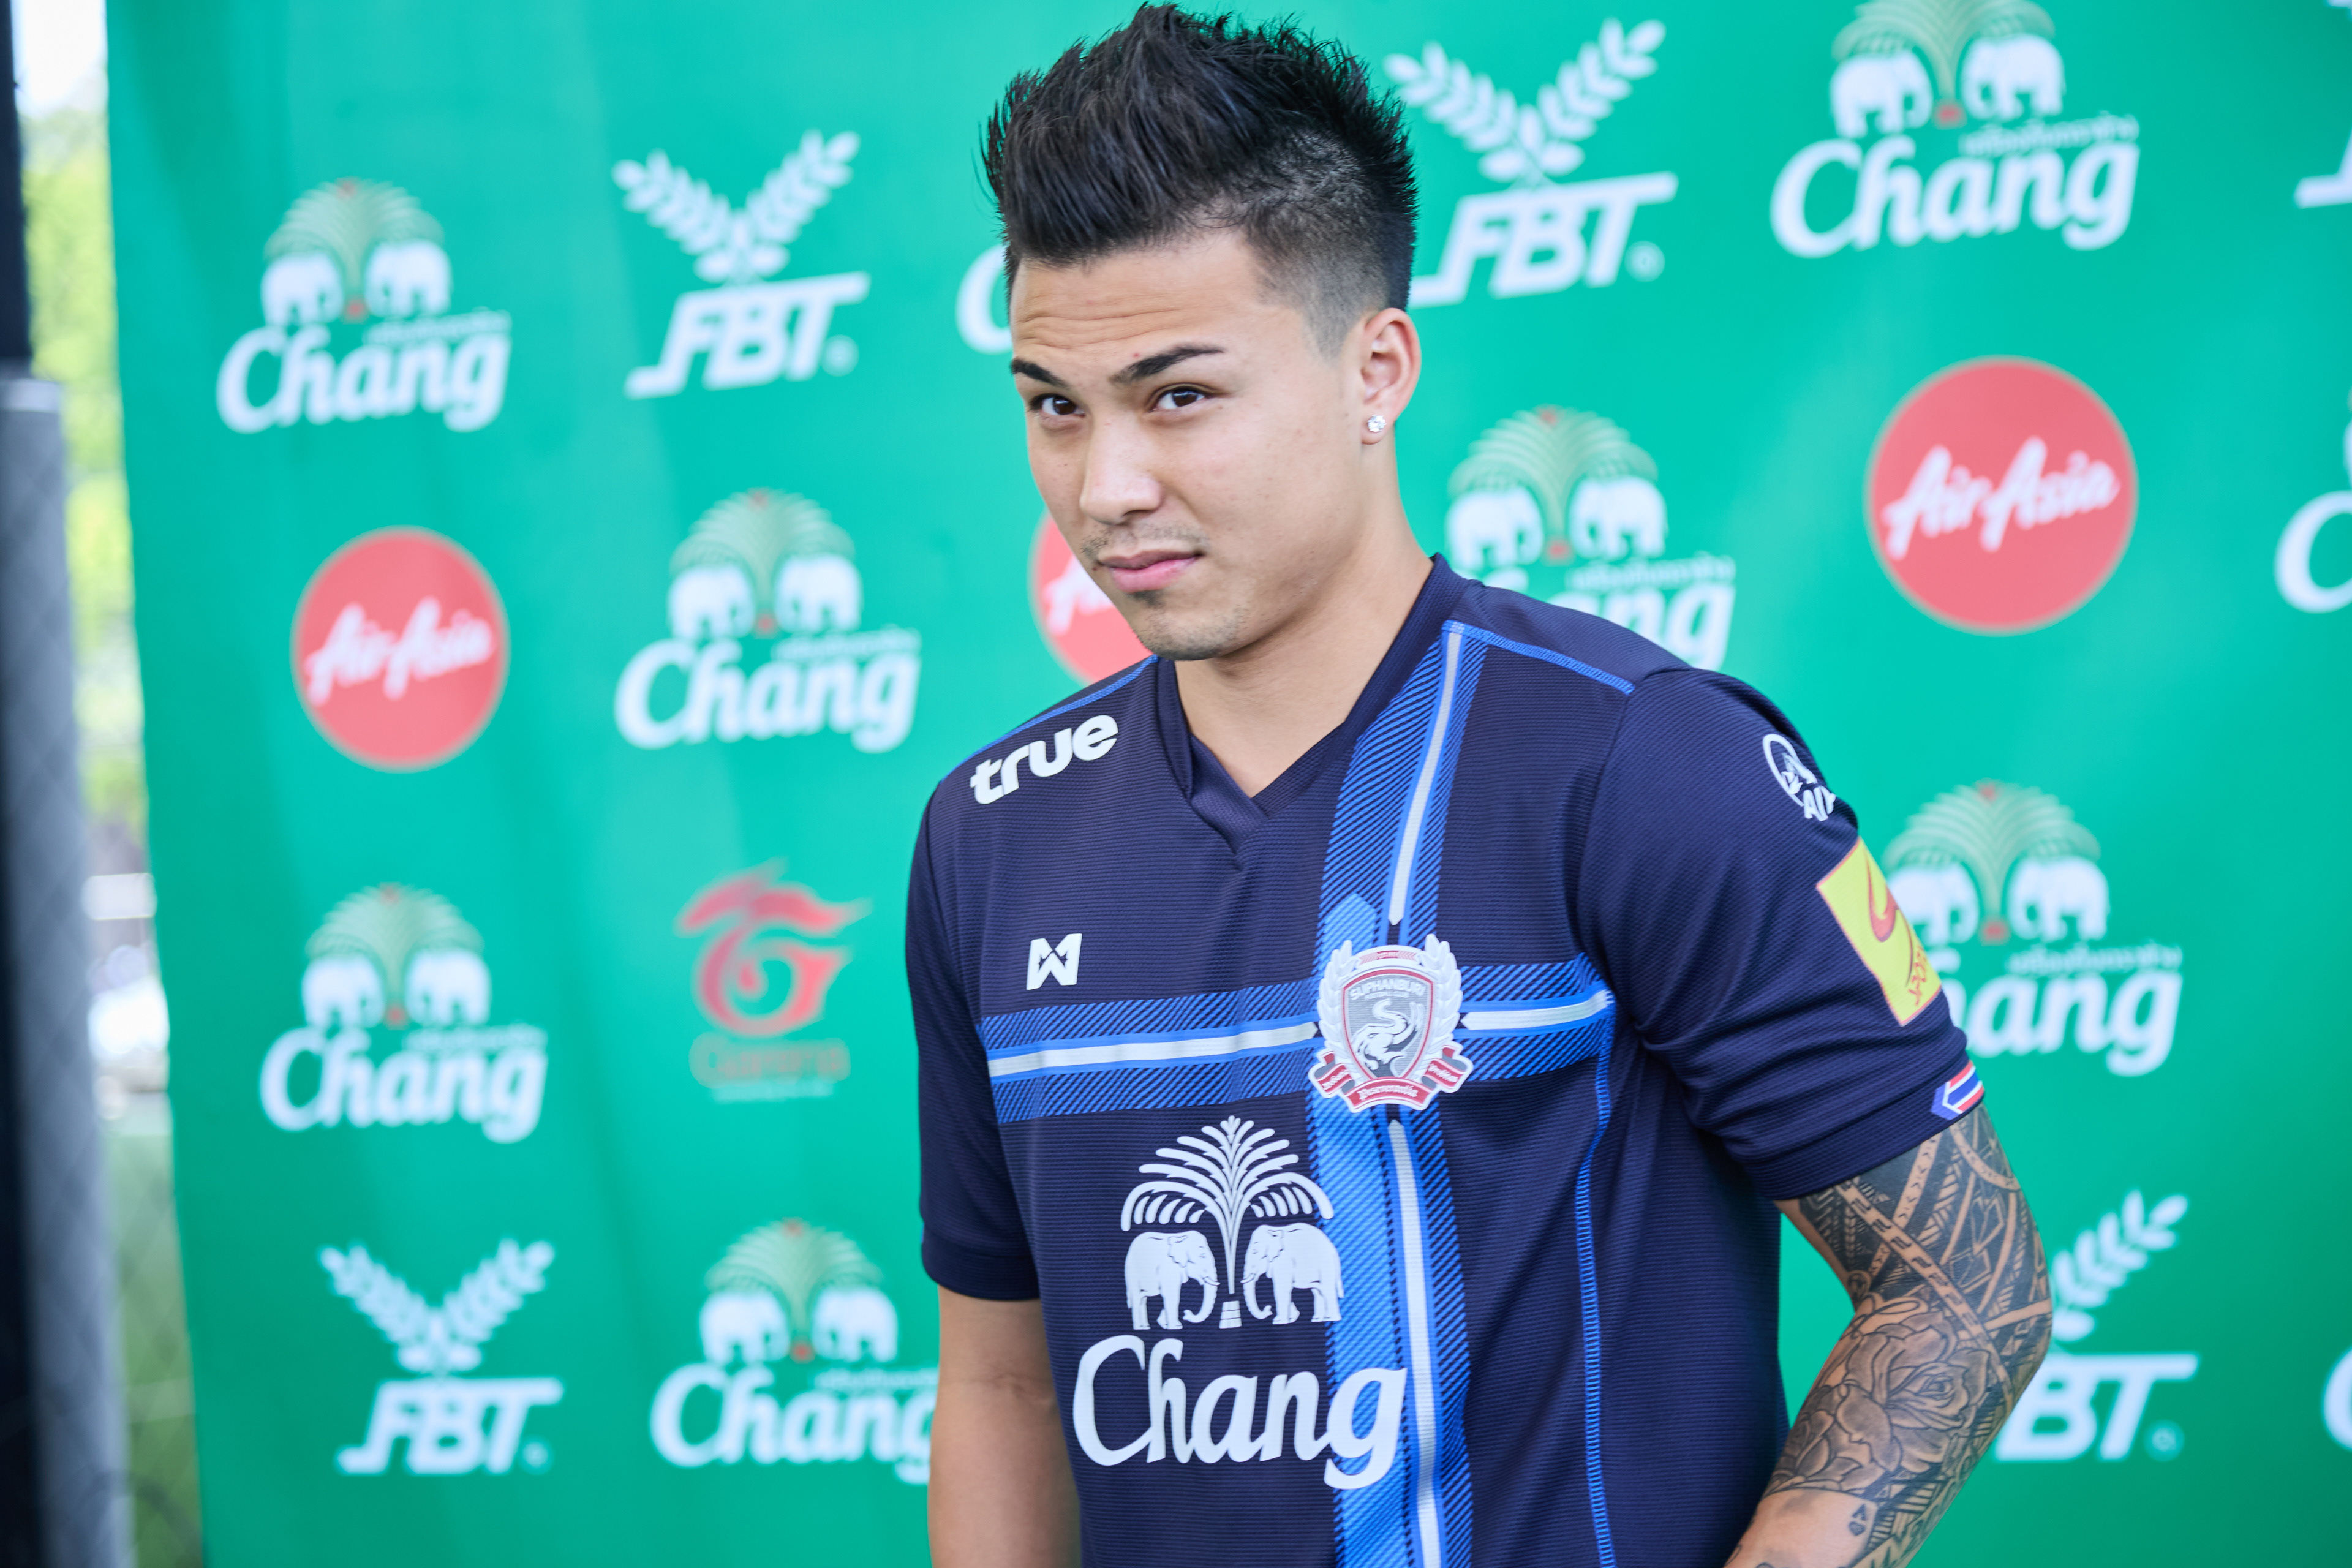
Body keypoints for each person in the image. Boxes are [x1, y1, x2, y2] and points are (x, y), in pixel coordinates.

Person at [909, 10, 2051, 1567]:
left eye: (1178, 396)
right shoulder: (990, 832)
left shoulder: (1642, 759)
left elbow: (1968, 1284)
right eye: (1056, 403)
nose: (1105, 485)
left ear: (1374, 371)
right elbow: (1003, 1380)